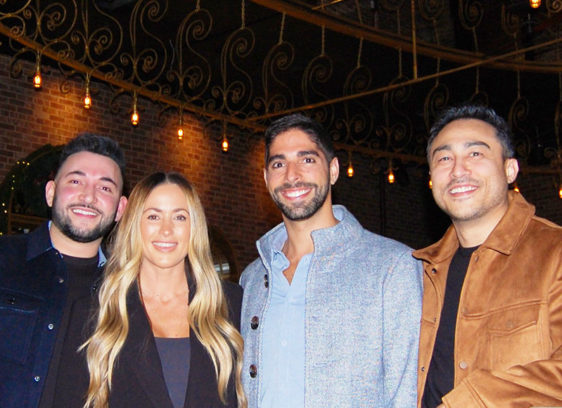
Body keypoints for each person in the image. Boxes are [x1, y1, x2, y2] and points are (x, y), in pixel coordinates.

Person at [240, 113, 423, 408]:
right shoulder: (253, 279)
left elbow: (408, 394)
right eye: (278, 163)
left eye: (307, 159)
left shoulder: (392, 267)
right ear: (265, 178)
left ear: (334, 169)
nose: (292, 175)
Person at [52, 172, 246, 408]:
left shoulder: (232, 304)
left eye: (180, 217)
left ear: (194, 227)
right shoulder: (93, 312)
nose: (166, 230)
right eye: (153, 216)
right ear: (135, 225)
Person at [415, 104, 562, 407]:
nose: (457, 170)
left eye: (475, 154)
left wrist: (471, 401)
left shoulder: (554, 253)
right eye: (444, 158)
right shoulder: (421, 272)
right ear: (431, 177)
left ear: (510, 169)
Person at [0, 134, 127, 408]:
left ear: (120, 208)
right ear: (50, 192)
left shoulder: (126, 292)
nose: (88, 196)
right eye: (75, 181)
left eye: (105, 188)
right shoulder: (4, 259)